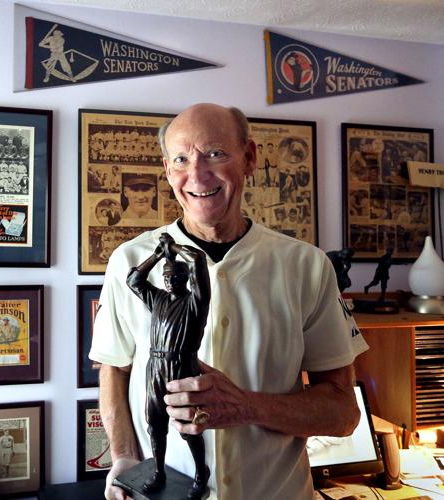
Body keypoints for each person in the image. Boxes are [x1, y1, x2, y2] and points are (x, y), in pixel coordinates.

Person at [89, 103, 368, 500]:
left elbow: (343, 412)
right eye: (182, 159)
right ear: (168, 170)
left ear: (249, 158)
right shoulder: (128, 261)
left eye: (216, 154)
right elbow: (114, 370)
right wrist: (123, 458)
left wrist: (247, 407)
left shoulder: (307, 266)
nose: (197, 174)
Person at [127, 232, 211, 499]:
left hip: (182, 367)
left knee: (189, 426)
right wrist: (158, 255)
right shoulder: (159, 299)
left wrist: (172, 247)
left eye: (175, 277)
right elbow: (134, 279)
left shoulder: (195, 302)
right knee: (155, 424)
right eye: (166, 277)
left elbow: (197, 259)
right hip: (155, 368)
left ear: (186, 279)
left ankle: (201, 473)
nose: (169, 281)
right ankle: (158, 472)